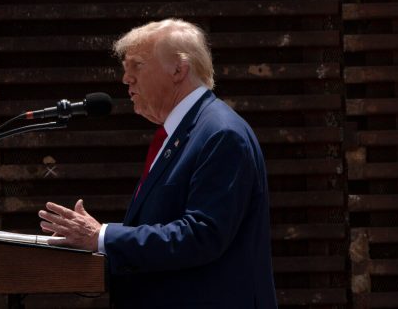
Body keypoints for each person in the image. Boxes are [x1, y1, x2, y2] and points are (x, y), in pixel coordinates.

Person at [39, 18, 278, 308]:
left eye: (137, 65)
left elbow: (201, 235)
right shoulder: (183, 131)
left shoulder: (220, 133)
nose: (126, 79)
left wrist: (102, 236)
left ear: (179, 69)